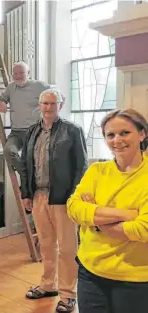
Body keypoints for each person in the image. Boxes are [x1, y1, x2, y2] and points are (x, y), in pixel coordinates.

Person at [67, 109, 148, 313]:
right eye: (110, 135)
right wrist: (127, 215)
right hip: (91, 271)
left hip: (134, 278)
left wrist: (93, 216)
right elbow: (74, 208)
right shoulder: (97, 171)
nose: (117, 140)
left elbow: (143, 229)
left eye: (124, 133)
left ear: (142, 134)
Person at [20, 89, 88, 313]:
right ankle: (48, 285)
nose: (48, 107)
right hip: (38, 196)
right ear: (39, 105)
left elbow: (81, 167)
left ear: (61, 104)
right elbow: (25, 165)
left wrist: (74, 197)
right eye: (44, 103)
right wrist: (26, 194)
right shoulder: (31, 132)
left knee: (68, 248)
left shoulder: (72, 130)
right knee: (46, 245)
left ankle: (68, 295)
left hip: (63, 197)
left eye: (53, 103)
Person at [0, 61, 51, 174]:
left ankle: (28, 180)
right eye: (15, 73)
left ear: (28, 73)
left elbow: (58, 96)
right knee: (8, 151)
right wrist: (2, 103)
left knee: (32, 158)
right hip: (16, 132)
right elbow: (0, 99)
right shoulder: (11, 87)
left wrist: (51, 113)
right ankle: (25, 173)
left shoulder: (39, 86)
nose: (18, 76)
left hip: (34, 131)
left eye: (21, 73)